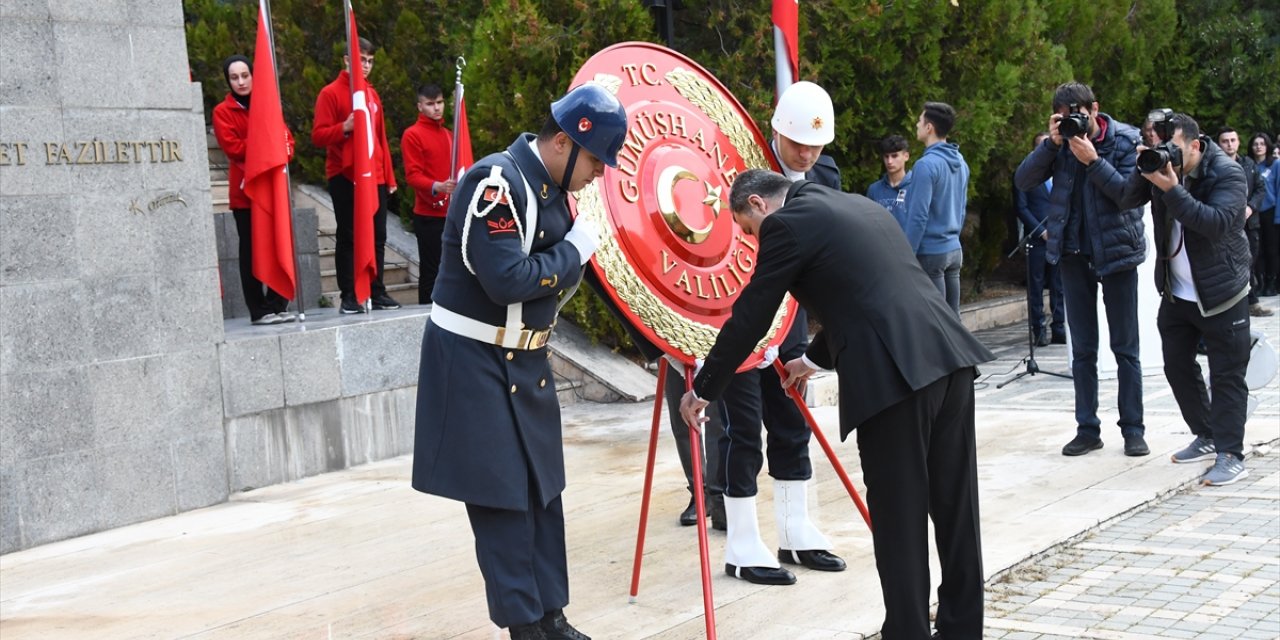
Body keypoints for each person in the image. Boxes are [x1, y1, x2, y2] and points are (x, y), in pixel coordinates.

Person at [680, 169, 995, 639]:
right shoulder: (858, 206)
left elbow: (752, 314)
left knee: (900, 522)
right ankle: (962, 630)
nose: (752, 239)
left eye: (747, 228)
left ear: (758, 205)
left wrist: (703, 388)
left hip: (895, 381)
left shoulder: (787, 224)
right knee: (956, 511)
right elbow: (870, 297)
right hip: (948, 359)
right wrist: (809, 359)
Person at [410, 83, 626, 640]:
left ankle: (552, 617)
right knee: (502, 503)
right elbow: (506, 279)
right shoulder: (499, 183)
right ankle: (524, 628)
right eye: (596, 162)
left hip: (522, 361)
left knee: (542, 492)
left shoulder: (548, 187)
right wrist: (575, 249)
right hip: (475, 360)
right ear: (563, 142)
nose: (598, 175)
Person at [705, 80, 846, 587]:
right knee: (743, 426)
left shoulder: (824, 172)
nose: (807, 154)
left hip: (791, 314)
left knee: (791, 416)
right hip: (737, 310)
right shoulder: (738, 163)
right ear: (775, 132)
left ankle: (795, 528)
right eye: (797, 144)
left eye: (816, 144)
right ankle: (742, 541)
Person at [1014, 81, 1148, 458]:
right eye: (1065, 116)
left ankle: (1134, 429)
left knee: (1126, 348)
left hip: (1117, 254)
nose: (1074, 121)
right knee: (1083, 350)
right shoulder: (1058, 144)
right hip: (1073, 255)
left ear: (1094, 108)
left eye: (1079, 114)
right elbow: (1023, 181)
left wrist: (1093, 159)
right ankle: (1087, 428)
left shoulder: (1124, 140)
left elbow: (1128, 194)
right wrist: (1051, 145)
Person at [1119, 113, 1252, 486]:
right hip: (1177, 293)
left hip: (1222, 292)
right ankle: (1207, 434)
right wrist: (1143, 168)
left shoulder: (1227, 173)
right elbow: (1125, 199)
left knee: (1226, 375)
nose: (1169, 156)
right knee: (1177, 367)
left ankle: (1231, 453)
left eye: (1174, 149)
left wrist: (1172, 189)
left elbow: (1214, 224)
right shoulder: (1164, 167)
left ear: (1195, 145)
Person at [311, 37, 401, 314]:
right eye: (361, 59)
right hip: (344, 175)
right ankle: (349, 295)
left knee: (378, 235)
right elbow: (318, 135)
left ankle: (377, 290)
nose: (366, 65)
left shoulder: (371, 95)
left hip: (375, 176)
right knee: (349, 235)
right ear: (347, 60)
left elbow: (380, 138)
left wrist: (389, 177)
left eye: (371, 61)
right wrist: (345, 127)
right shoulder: (330, 93)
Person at [212, 54, 295, 326]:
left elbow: (286, 141)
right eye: (234, 77)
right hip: (245, 195)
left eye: (245, 75)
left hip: (272, 191)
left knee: (277, 245)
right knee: (250, 252)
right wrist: (264, 141)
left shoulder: (267, 105)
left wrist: (277, 147)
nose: (240, 82)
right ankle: (258, 310)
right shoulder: (223, 112)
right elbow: (233, 148)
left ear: (252, 75)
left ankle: (277, 302)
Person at [901, 101, 970, 313]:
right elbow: (961, 208)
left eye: (920, 120)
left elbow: (918, 216)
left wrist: (906, 255)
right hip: (953, 249)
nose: (917, 124)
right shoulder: (960, 161)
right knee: (953, 320)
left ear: (929, 127)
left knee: (937, 320)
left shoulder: (925, 165)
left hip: (931, 253)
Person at [400, 83, 456, 305]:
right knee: (431, 270)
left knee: (452, 269)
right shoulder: (412, 135)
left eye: (440, 102)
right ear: (420, 106)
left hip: (452, 213)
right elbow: (413, 176)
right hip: (429, 214)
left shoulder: (450, 135)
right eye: (430, 104)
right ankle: (426, 316)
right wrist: (437, 186)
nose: (436, 108)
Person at [1013, 132, 1066, 345]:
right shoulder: (1026, 174)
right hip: (1037, 240)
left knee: (1058, 285)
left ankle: (1059, 327)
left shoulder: (1061, 172)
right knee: (1036, 286)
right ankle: (1039, 329)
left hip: (1059, 239)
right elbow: (1021, 207)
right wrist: (1040, 231)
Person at [1218, 127, 1272, 317]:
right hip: (1225, 224)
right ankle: (1244, 302)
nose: (1230, 144)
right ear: (1219, 144)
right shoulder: (1213, 166)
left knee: (1250, 260)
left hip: (1250, 223)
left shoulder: (1248, 164)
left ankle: (1250, 299)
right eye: (1225, 141)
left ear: (1239, 142)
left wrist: (1251, 207)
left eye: (1233, 140)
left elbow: (1260, 188)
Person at [1247, 133, 1277, 297]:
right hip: (1255, 212)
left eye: (1262, 143)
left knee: (1272, 249)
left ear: (1267, 146)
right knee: (1258, 250)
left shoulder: (1275, 165)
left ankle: (1272, 282)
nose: (1258, 146)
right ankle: (1260, 281)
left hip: (1271, 212)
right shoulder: (1249, 165)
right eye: (1255, 144)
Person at [866, 134, 912, 229]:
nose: (889, 161)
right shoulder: (874, 190)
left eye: (894, 156)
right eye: (886, 156)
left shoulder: (916, 187)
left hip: (907, 243)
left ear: (906, 156)